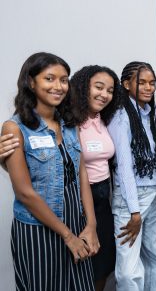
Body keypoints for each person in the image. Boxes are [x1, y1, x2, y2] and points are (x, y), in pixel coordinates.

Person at [2, 52, 98, 290]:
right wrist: (68, 237)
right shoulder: (15, 128)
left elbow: (82, 174)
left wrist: (91, 225)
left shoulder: (69, 123)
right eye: (49, 78)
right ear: (31, 82)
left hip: (76, 221)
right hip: (38, 229)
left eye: (64, 79)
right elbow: (24, 193)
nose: (58, 86)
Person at [107, 61, 156, 290]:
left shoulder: (149, 113)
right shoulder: (121, 117)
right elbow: (123, 167)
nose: (148, 87)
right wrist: (134, 212)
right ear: (126, 84)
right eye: (141, 82)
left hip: (154, 194)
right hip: (130, 200)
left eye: (152, 83)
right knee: (129, 270)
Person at [66, 65, 121, 291]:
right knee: (79, 263)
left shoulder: (103, 119)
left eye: (109, 90)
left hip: (103, 198)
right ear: (82, 87)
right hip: (78, 200)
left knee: (103, 261)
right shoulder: (69, 121)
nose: (104, 94)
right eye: (98, 87)